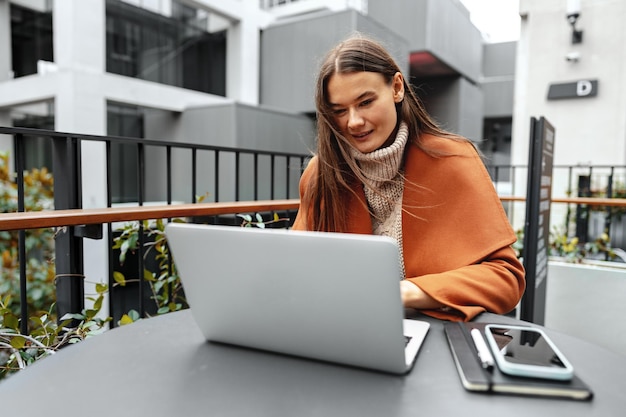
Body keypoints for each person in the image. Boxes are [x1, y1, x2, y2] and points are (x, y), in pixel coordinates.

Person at [292, 34, 525, 322]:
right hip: (341, 327)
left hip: (433, 334)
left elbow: (505, 279)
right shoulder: (320, 173)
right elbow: (297, 268)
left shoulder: (452, 159)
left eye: (365, 102)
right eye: (339, 111)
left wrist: (406, 292)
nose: (353, 121)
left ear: (397, 88)